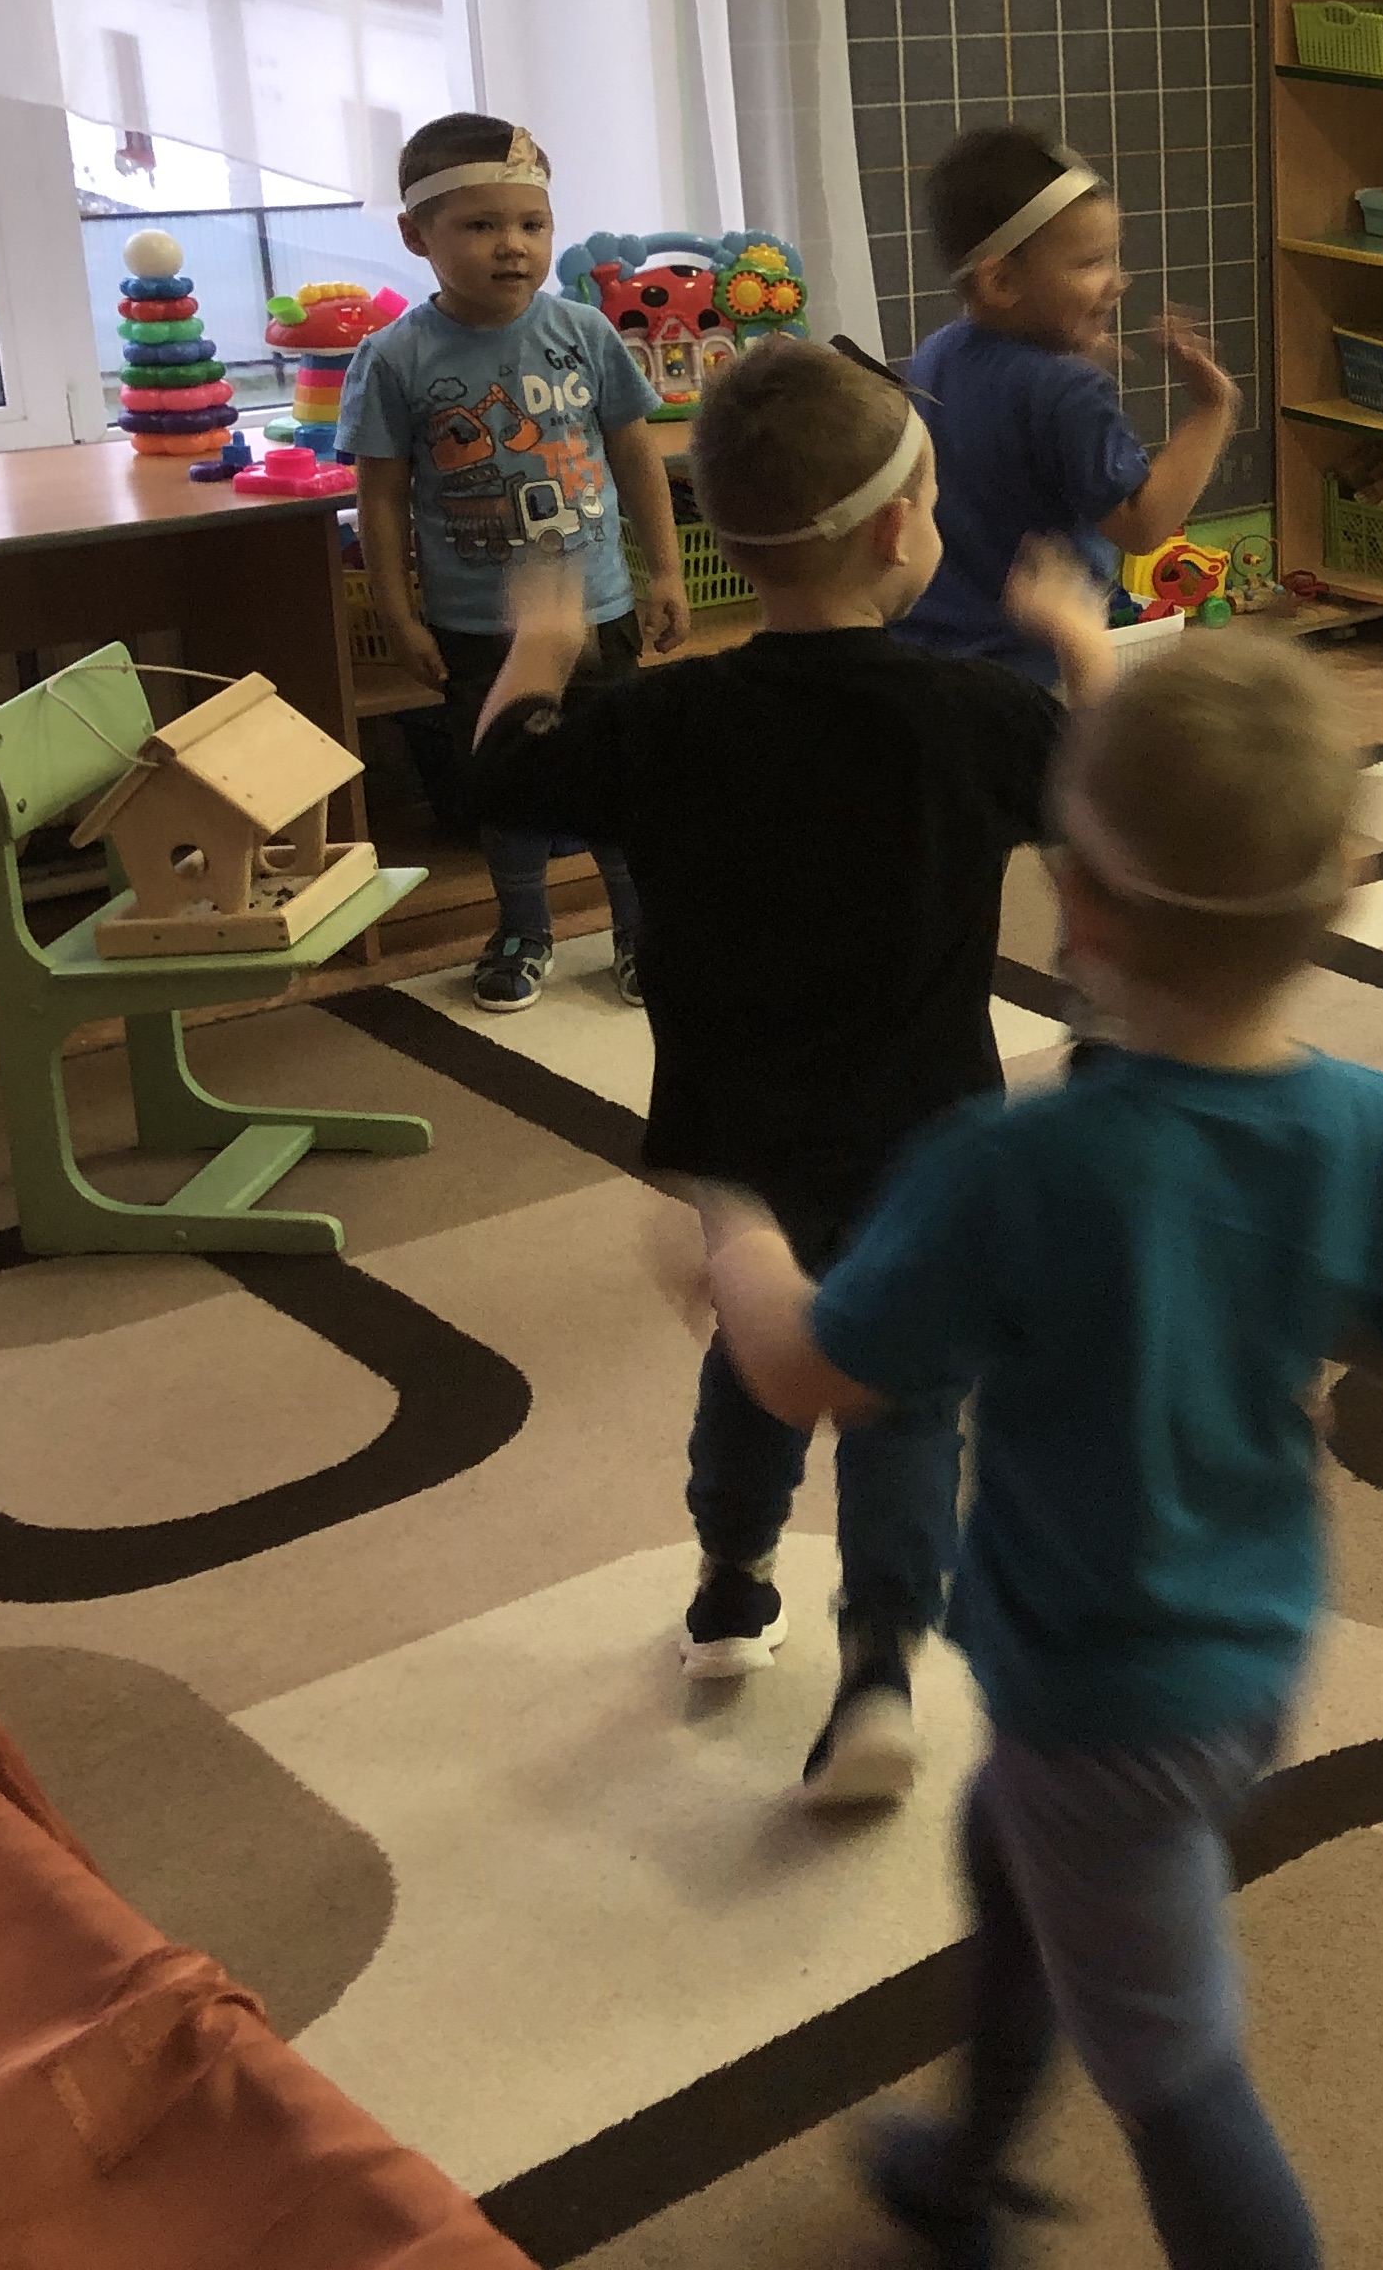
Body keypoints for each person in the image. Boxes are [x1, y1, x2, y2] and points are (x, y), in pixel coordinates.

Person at [693, 632, 1383, 2268]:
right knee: (1010, 1854)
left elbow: (805, 1370)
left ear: (1078, 905)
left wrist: (737, 1234)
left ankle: (994, 2175)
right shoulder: (1368, 1123)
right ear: (1344, 886)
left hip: (1107, 1690)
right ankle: (964, 2169)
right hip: (1249, 1638)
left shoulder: (1009, 1167)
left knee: (1176, 2077)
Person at [470, 338, 1112, 1807]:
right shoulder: (977, 715)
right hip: (929, 1135)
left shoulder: (665, 720)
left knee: (756, 1358)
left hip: (740, 1139)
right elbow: (1117, 789)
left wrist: (548, 648)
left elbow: (503, 780)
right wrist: (1080, 646)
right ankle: (879, 1661)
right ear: (897, 531)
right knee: (909, 1389)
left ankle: (730, 1584)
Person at [345, 114, 689, 1012]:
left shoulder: (584, 331)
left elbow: (636, 456)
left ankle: (639, 932)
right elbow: (379, 498)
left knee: (616, 779)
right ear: (416, 235)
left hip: (598, 610)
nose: (513, 246)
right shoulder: (394, 357)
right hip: (476, 625)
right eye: (481, 225)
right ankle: (523, 930)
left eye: (532, 224)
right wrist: (398, 614)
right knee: (507, 788)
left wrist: (665, 572)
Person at [897, 122, 1239, 690]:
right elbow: (1141, 524)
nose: (1118, 280)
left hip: (925, 657)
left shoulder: (936, 352)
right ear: (1001, 281)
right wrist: (1211, 410)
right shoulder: (1066, 392)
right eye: (1090, 262)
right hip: (1030, 670)